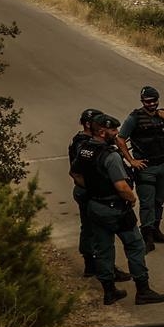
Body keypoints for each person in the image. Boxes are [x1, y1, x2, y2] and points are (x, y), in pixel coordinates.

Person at [83, 113, 164, 306]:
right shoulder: (110, 156)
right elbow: (121, 186)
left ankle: (109, 291)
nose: (116, 133)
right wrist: (131, 198)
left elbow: (76, 174)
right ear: (103, 132)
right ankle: (143, 290)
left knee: (104, 249)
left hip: (95, 206)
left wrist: (94, 190)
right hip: (115, 208)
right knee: (135, 246)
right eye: (113, 130)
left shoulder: (84, 149)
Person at [67, 108, 127, 283]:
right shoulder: (85, 144)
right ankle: (101, 268)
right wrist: (94, 187)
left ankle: (94, 265)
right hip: (90, 192)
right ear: (88, 124)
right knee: (97, 233)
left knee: (90, 228)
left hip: (86, 190)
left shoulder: (82, 141)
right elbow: (79, 171)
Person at [119, 85, 164, 248]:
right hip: (145, 168)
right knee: (147, 204)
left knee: (159, 201)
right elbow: (120, 139)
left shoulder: (163, 116)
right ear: (142, 102)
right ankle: (147, 237)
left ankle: (155, 231)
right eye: (147, 102)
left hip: (163, 165)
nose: (151, 104)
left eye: (154, 101)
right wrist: (131, 160)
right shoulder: (135, 118)